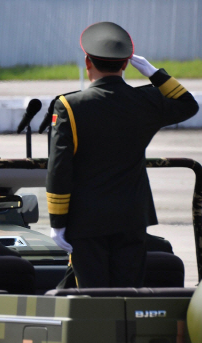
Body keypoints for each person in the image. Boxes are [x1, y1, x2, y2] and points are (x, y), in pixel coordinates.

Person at [46, 22, 199, 288]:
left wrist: (58, 222)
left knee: (93, 299)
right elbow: (188, 105)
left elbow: (60, 168)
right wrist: (154, 73)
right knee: (129, 295)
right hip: (132, 217)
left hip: (86, 221)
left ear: (87, 62)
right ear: (126, 64)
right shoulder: (147, 101)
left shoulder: (70, 106)